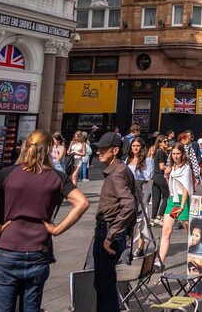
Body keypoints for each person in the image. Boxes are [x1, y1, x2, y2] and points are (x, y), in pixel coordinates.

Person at [0, 130, 89, 312]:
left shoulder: (7, 173)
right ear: (50, 148)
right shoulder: (58, 178)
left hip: (8, 246)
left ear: (25, 146)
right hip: (38, 248)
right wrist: (57, 229)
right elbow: (82, 203)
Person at [92, 132, 138, 312]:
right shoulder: (119, 169)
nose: (98, 152)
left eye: (103, 149)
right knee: (104, 283)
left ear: (115, 150)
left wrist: (111, 235)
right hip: (112, 231)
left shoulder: (117, 173)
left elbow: (129, 204)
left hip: (108, 231)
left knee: (104, 285)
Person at [158, 142, 191, 268]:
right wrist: (167, 175)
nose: (175, 156)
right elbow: (171, 185)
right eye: (173, 154)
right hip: (173, 201)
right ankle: (160, 261)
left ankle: (194, 256)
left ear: (182, 154)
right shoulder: (172, 168)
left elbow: (186, 189)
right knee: (166, 231)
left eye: (178, 154)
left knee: (189, 232)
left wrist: (182, 207)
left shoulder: (186, 168)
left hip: (182, 201)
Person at [125, 137, 154, 258]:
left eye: (138, 146)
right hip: (128, 191)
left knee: (141, 219)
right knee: (129, 219)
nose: (135, 148)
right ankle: (128, 246)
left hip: (141, 191)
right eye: (133, 146)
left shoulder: (147, 160)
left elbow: (148, 176)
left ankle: (140, 246)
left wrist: (139, 172)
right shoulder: (128, 159)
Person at [150, 136, 170, 226]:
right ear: (160, 143)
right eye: (165, 141)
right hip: (161, 176)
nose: (167, 143)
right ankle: (159, 216)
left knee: (156, 199)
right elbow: (162, 166)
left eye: (167, 141)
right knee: (167, 196)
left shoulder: (157, 152)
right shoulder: (161, 153)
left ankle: (152, 218)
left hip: (155, 176)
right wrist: (170, 167)